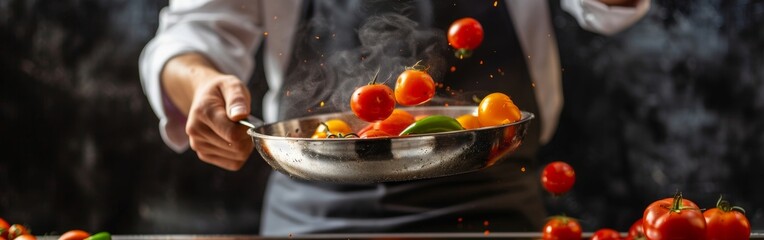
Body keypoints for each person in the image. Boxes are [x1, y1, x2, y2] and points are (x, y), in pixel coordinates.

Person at [139, 0, 649, 235]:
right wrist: (203, 85)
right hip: (316, 213)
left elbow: (607, 6)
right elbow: (190, 36)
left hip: (495, 208)